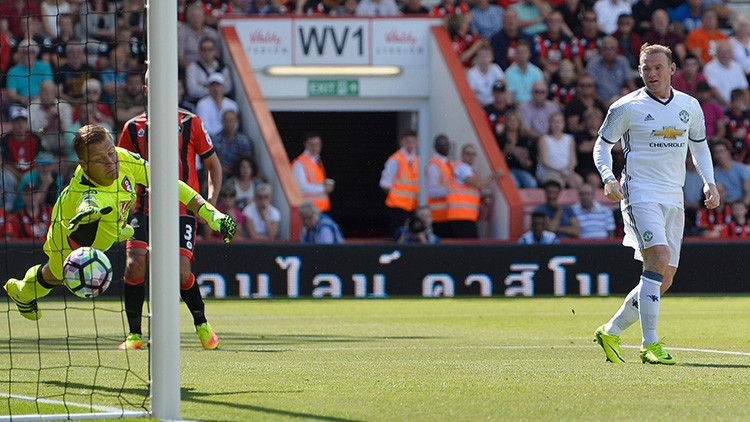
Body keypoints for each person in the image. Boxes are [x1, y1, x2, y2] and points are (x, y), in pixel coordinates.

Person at [3, 125, 236, 323]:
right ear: (84, 165)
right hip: (69, 236)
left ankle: (114, 227)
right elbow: (87, 203)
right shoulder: (83, 193)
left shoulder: (124, 159)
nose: (110, 162)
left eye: (110, 152)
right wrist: (88, 213)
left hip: (113, 226)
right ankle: (21, 292)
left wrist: (211, 214)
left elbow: (169, 183)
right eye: (99, 159)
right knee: (55, 275)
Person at [592, 43, 719, 365]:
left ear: (672, 69)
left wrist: (709, 182)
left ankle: (610, 330)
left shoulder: (689, 105)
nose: (652, 73)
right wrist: (608, 178)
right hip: (639, 192)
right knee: (658, 258)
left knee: (665, 278)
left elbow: (700, 147)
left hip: (673, 196)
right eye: (646, 68)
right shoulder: (626, 107)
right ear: (639, 70)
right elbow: (601, 147)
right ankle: (650, 344)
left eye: (658, 67)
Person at [117, 101, 225, 351]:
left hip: (183, 209)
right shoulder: (132, 128)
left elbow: (213, 165)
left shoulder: (191, 123)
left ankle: (202, 323)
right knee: (135, 263)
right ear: (146, 90)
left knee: (180, 272)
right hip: (143, 208)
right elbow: (120, 170)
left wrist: (210, 202)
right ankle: (134, 335)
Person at [447, 144, 503, 238]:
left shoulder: (468, 169)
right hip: (461, 216)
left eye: (473, 154)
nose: (470, 157)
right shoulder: (462, 168)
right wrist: (494, 176)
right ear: (462, 155)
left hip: (465, 216)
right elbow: (476, 183)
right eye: (468, 154)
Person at [1, 106, 45, 209]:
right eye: (17, 121)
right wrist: (20, 176)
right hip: (13, 174)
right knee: (5, 176)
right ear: (12, 123)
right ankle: (9, 207)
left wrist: (27, 176)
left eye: (23, 121)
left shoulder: (35, 138)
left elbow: (42, 158)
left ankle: (43, 208)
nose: (20, 125)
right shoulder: (6, 139)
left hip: (33, 173)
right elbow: (4, 163)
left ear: (27, 123)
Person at [380, 129, 420, 235]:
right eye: (408, 141)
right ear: (402, 142)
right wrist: (395, 196)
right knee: (399, 233)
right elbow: (385, 183)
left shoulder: (417, 160)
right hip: (397, 206)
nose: (410, 145)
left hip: (411, 206)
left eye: (413, 141)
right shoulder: (395, 159)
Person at [29, 79, 74, 157]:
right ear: (40, 92)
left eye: (50, 92)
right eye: (45, 92)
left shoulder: (64, 106)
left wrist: (60, 120)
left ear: (55, 93)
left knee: (71, 140)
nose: (48, 95)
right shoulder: (32, 106)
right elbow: (33, 129)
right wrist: (47, 115)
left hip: (60, 139)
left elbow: (68, 129)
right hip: (43, 138)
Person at [586, 36, 637, 104]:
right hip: (599, 101)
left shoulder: (623, 61)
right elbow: (590, 88)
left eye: (612, 48)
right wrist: (603, 103)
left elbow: (630, 83)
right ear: (601, 50)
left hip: (620, 100)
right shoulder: (593, 63)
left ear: (616, 50)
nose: (608, 52)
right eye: (605, 48)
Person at [291, 132, 333, 213]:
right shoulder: (299, 163)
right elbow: (300, 187)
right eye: (311, 144)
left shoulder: (317, 161)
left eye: (317, 144)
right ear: (305, 144)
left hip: (318, 210)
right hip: (308, 212)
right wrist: (323, 188)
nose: (314, 147)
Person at [496, 109, 538, 188]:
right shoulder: (500, 138)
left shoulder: (524, 139)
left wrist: (525, 160)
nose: (513, 123)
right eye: (510, 120)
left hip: (520, 169)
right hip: (506, 169)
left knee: (531, 183)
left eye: (515, 120)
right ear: (506, 122)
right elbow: (496, 161)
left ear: (519, 122)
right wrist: (506, 151)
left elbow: (531, 163)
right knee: (515, 184)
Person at [6, 39, 54, 106]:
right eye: (25, 52)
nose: (29, 55)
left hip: (43, 102)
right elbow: (12, 94)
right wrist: (21, 99)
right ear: (19, 54)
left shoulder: (45, 67)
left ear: (36, 54)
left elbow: (49, 88)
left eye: (32, 52)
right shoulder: (12, 71)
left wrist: (35, 99)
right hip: (21, 104)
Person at [185, 37, 232, 105]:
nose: (207, 52)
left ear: (215, 51)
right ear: (199, 51)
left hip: (220, 102)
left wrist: (203, 87)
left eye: (210, 49)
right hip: (198, 102)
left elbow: (228, 88)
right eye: (204, 49)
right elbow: (192, 90)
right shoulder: (192, 67)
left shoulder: (224, 68)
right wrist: (217, 90)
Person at [703, 41, 749, 110]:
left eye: (728, 52)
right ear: (717, 53)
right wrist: (730, 106)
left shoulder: (737, 66)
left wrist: (748, 105)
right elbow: (713, 89)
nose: (725, 55)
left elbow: (744, 88)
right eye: (722, 52)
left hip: (739, 108)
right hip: (720, 107)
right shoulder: (709, 67)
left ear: (732, 54)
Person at [425, 134, 453, 238]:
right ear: (436, 146)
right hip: (438, 216)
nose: (445, 147)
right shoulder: (434, 165)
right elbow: (432, 192)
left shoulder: (449, 164)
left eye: (446, 144)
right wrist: (451, 192)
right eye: (441, 144)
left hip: (448, 215)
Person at [195, 72, 239, 138]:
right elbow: (203, 127)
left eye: (218, 85)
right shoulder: (202, 104)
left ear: (223, 87)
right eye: (212, 85)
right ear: (208, 88)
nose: (215, 88)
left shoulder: (232, 104)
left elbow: (235, 125)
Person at [212, 109, 254, 174]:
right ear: (222, 121)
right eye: (226, 120)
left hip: (241, 172)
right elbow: (212, 161)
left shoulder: (244, 140)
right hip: (222, 172)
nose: (229, 123)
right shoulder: (215, 140)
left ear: (236, 121)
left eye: (231, 120)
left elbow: (248, 160)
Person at [504, 39, 544, 104]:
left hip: (534, 106)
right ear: (515, 54)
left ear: (529, 54)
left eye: (524, 52)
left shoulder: (537, 72)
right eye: (519, 52)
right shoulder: (509, 73)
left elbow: (541, 94)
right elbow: (509, 98)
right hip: (516, 108)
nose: (522, 55)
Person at [711, 140, 750, 205]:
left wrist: (742, 207)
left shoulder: (742, 169)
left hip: (742, 205)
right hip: (724, 206)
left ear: (728, 152)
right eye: (716, 152)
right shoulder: (714, 174)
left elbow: (748, 192)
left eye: (722, 151)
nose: (719, 155)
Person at [725, 89, 750, 164]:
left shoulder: (747, 115)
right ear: (732, 102)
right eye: (737, 101)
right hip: (733, 145)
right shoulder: (728, 116)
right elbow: (729, 133)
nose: (740, 103)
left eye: (742, 101)